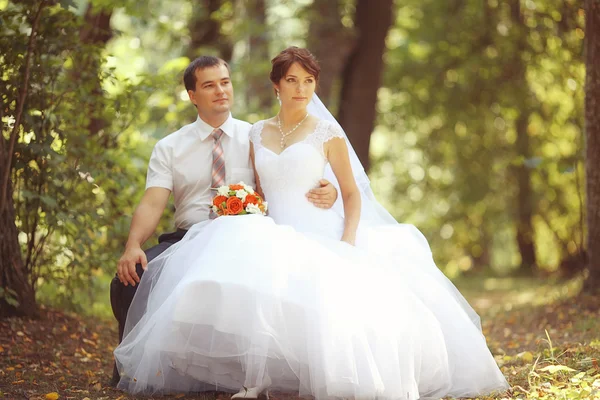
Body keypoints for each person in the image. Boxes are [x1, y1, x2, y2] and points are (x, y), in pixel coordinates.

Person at [114, 47, 510, 399]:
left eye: (308, 81)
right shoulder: (227, 138)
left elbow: (335, 187)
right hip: (232, 232)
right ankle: (210, 370)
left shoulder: (292, 131)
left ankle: (290, 372)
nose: (301, 88)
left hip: (289, 230)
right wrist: (135, 242)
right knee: (189, 280)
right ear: (276, 86)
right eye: (292, 80)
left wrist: (337, 206)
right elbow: (241, 192)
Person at [109, 55, 338, 386]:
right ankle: (129, 367)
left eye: (225, 82)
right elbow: (152, 202)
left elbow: (293, 171)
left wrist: (326, 189)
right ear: (192, 95)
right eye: (209, 85)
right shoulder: (169, 147)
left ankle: (244, 373)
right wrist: (133, 245)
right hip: (185, 239)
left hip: (244, 240)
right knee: (130, 277)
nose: (220, 91)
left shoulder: (257, 136)